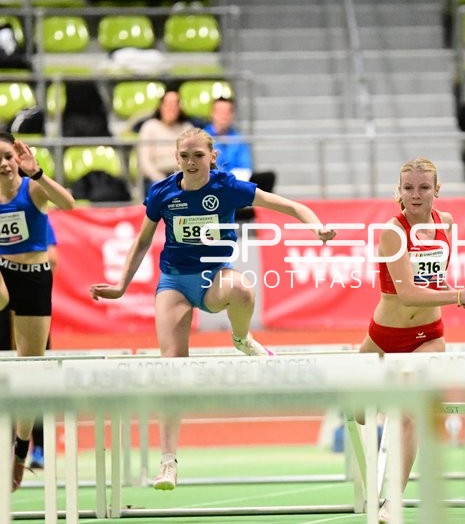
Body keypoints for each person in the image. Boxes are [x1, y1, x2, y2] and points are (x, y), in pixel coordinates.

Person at [89, 128, 336, 491]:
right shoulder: (162, 193)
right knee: (172, 370)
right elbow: (142, 242)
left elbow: (291, 206)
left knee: (243, 289)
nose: (191, 162)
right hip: (174, 283)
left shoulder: (228, 187)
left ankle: (241, 338)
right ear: (176, 158)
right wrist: (121, 286)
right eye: (184, 156)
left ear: (212, 157)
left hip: (214, 277)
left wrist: (316, 227)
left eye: (198, 156)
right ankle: (168, 464)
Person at [357, 157, 465, 522]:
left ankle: (392, 502)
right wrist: (458, 296)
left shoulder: (446, 223)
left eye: (424, 187)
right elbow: (407, 294)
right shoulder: (392, 232)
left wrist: (451, 291)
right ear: (399, 191)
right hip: (384, 336)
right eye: (409, 188)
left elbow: (434, 279)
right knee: (359, 413)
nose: (416, 195)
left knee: (410, 415)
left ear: (436, 190)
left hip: (428, 336)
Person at [0, 133, 76, 492]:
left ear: (18, 158)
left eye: (8, 156)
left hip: (33, 278)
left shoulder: (32, 189)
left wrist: (38, 173)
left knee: (30, 369)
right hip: (2, 275)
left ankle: (20, 449)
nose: (3, 163)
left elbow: (69, 204)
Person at [136, 89, 193, 192]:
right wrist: (162, 180)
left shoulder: (187, 128)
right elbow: (145, 162)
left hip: (182, 176)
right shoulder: (149, 127)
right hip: (156, 177)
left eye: (175, 104)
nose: (171, 108)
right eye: (168, 104)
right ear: (160, 106)